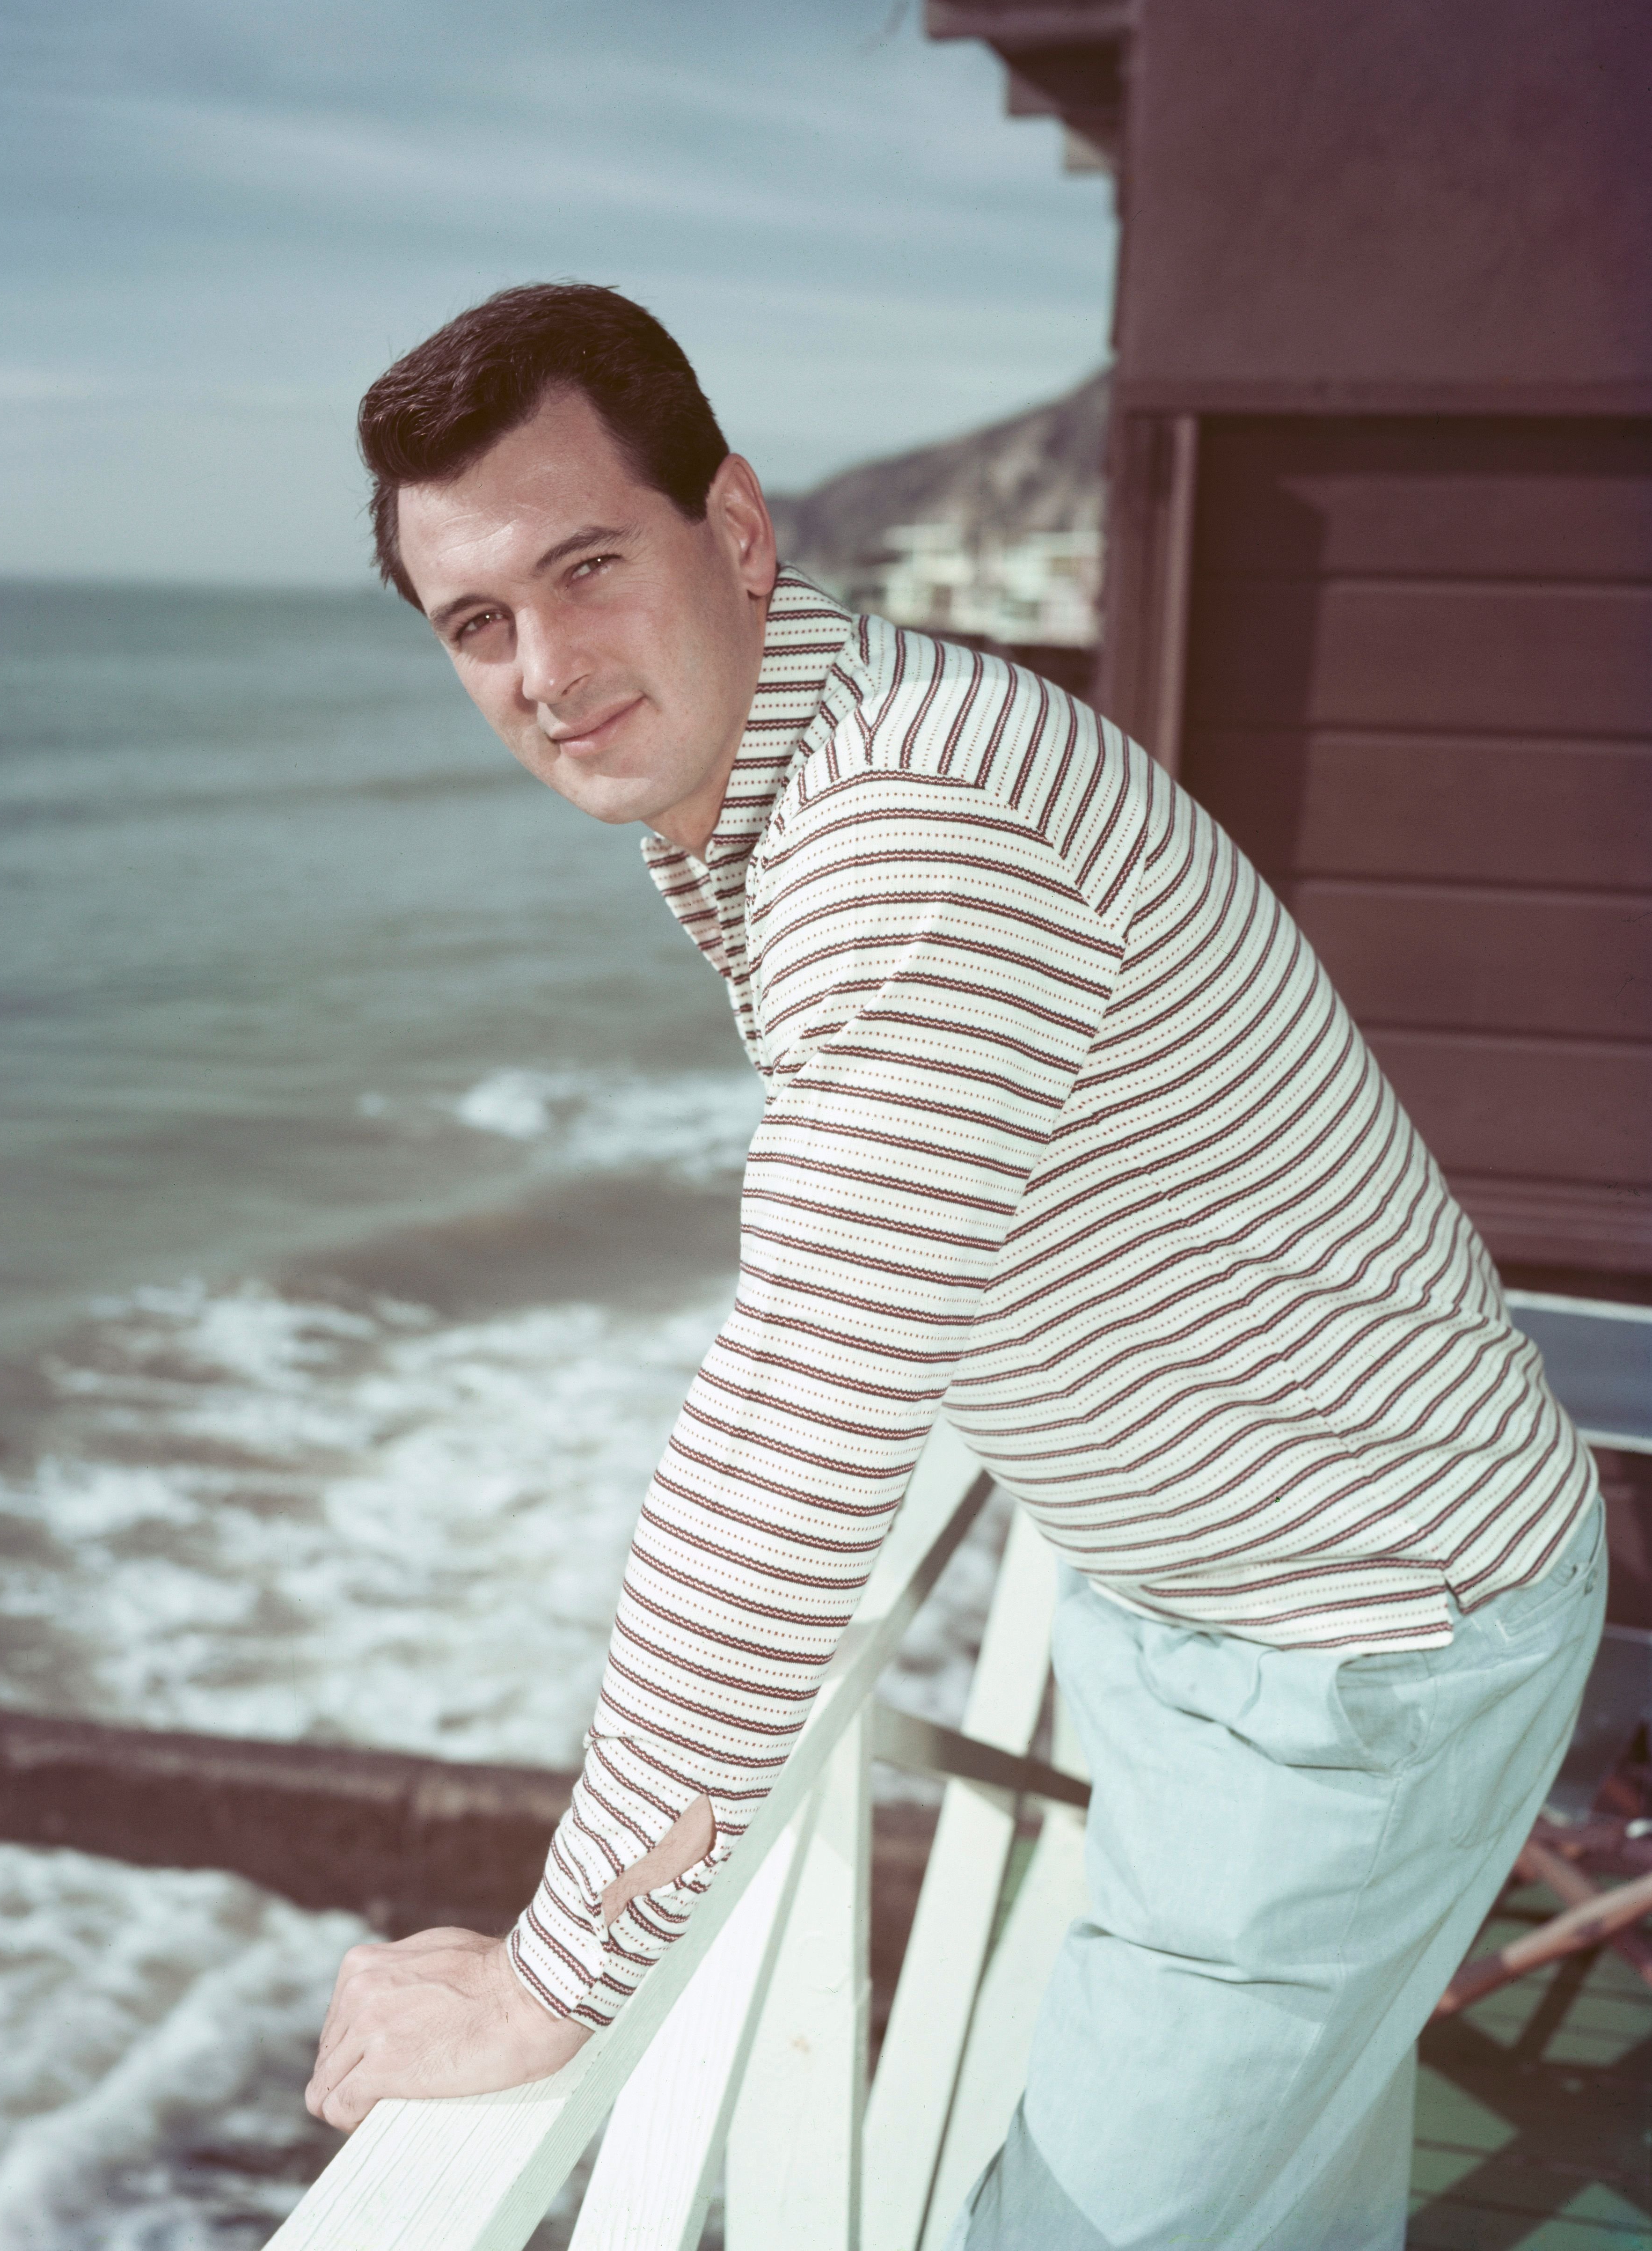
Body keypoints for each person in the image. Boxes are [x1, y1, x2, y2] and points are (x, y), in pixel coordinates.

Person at [303, 283, 1603, 2247]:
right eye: (477, 623)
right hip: (1237, 1591)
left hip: (1350, 1644)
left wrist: (550, 1971)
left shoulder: (906, 831)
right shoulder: (823, 755)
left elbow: (788, 1443)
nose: (546, 668)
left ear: (734, 533)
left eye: (586, 568)